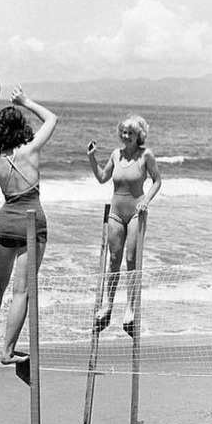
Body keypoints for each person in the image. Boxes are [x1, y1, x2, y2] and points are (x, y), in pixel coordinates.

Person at [0, 86, 58, 364]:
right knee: (21, 291)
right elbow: (52, 119)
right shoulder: (32, 149)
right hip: (32, 223)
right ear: (21, 127)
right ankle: (7, 351)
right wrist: (25, 101)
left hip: (6, 222)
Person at [87, 113, 161, 336]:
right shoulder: (115, 154)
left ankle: (130, 308)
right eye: (124, 132)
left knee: (131, 260)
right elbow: (102, 178)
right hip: (116, 213)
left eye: (130, 132)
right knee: (113, 260)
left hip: (136, 212)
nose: (126, 136)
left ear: (140, 135)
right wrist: (92, 158)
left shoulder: (145, 155)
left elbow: (157, 181)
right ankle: (108, 306)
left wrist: (146, 200)